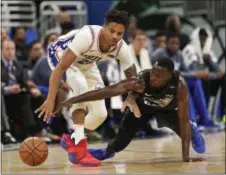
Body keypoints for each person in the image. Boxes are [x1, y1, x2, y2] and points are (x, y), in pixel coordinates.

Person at [55, 57, 206, 162]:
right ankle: (107, 152)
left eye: (159, 76)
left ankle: (193, 130)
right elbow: (107, 91)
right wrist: (73, 99)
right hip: (142, 109)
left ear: (169, 76)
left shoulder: (180, 85)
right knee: (121, 139)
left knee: (184, 128)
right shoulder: (141, 81)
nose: (153, 77)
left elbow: (183, 118)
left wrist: (186, 157)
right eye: (153, 72)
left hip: (167, 110)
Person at [35, 10, 137, 166]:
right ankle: (79, 148)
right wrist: (50, 99)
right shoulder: (87, 36)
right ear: (104, 27)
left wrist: (131, 97)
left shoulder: (121, 47)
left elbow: (134, 78)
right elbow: (60, 69)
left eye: (119, 33)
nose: (115, 36)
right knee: (80, 86)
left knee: (100, 114)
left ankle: (72, 139)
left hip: (86, 63)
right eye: (112, 31)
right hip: (60, 55)